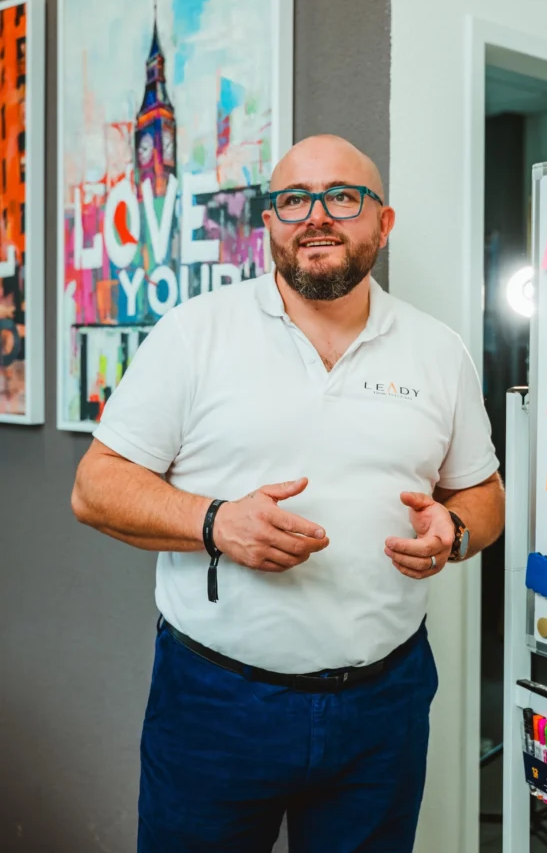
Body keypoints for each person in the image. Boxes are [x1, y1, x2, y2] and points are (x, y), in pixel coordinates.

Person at [72, 134, 505, 853]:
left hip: (384, 704)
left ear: (382, 221)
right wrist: (216, 523)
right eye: (292, 200)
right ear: (267, 222)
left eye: (342, 197)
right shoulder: (193, 335)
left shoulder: (438, 351)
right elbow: (97, 488)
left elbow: (481, 494)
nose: (316, 217)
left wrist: (454, 531)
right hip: (216, 704)